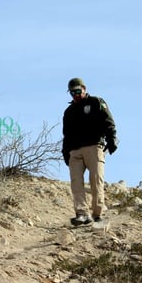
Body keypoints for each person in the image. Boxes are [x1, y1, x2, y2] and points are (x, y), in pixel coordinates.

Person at [62, 78, 118, 226]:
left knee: (96, 180)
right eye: (72, 92)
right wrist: (65, 152)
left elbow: (108, 121)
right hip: (75, 150)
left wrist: (111, 138)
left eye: (78, 91)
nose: (75, 95)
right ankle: (81, 214)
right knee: (76, 183)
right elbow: (66, 134)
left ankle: (97, 214)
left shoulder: (95, 102)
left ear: (84, 88)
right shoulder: (69, 112)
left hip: (94, 147)